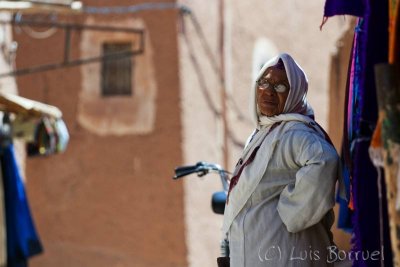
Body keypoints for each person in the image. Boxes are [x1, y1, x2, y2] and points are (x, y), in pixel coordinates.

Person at [219, 53, 344, 267]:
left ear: (295, 93)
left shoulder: (294, 132)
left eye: (280, 86)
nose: (268, 91)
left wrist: (292, 213)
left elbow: (324, 160)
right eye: (264, 82)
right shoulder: (265, 133)